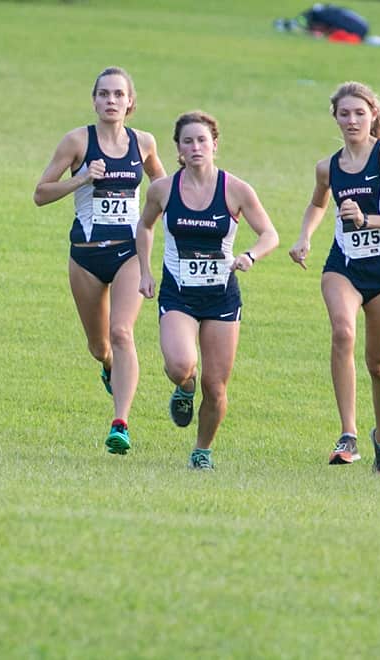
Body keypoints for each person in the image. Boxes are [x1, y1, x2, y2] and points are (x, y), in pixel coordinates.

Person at [286, 82, 380, 474]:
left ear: (373, 116)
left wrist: (368, 219)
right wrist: (304, 237)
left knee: (378, 364)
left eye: (359, 113)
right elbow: (317, 203)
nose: (352, 120)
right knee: (342, 332)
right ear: (335, 118)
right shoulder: (328, 167)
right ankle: (348, 434)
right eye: (344, 114)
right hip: (342, 267)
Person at [33, 67, 167, 454]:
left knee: (122, 332)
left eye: (118, 95)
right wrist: (81, 179)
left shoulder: (143, 144)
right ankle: (109, 367)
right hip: (87, 257)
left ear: (130, 102)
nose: (111, 101)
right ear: (94, 100)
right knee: (100, 346)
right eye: (104, 94)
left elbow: (164, 189)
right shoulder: (76, 142)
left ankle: (120, 424)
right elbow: (40, 194)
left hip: (129, 254)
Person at [135, 111, 280, 470]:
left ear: (215, 144)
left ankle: (202, 450)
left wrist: (250, 255)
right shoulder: (163, 190)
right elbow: (145, 226)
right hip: (178, 293)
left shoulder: (236, 190)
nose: (196, 147)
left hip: (221, 297)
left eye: (202, 140)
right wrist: (145, 272)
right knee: (180, 365)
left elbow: (270, 235)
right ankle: (184, 388)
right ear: (179, 150)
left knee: (216, 387)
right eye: (188, 141)